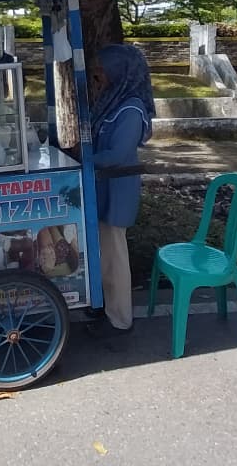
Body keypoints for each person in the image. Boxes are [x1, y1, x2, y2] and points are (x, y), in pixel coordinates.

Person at [86, 44, 154, 337]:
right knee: (103, 253)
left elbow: (117, 154)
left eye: (103, 70)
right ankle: (104, 308)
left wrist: (81, 159)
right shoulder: (112, 101)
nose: (99, 76)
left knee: (115, 254)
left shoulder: (131, 109)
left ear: (121, 71)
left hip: (118, 189)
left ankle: (121, 320)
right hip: (102, 186)